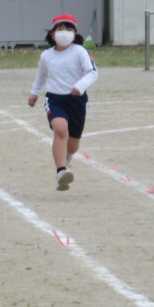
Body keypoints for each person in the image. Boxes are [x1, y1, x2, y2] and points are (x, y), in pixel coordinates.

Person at [28, 14, 98, 191]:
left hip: (77, 101)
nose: (64, 32)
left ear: (75, 33)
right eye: (60, 29)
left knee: (73, 146)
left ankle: (67, 157)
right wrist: (34, 93)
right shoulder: (46, 55)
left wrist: (79, 86)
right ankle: (60, 171)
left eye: (68, 29)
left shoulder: (80, 51)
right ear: (52, 34)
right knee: (60, 129)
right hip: (55, 99)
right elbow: (41, 75)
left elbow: (92, 73)